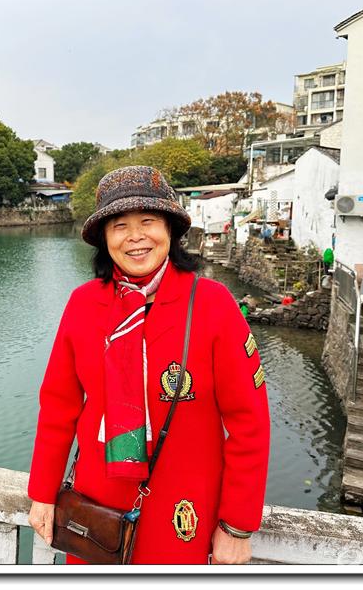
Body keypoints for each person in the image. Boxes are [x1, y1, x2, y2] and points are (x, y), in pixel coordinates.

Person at [27, 166, 270, 565]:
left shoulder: (213, 305)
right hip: (96, 509)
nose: (135, 236)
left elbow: (249, 423)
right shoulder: (84, 304)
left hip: (183, 510)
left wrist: (237, 525)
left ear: (170, 229)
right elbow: (58, 407)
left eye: (148, 222)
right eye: (119, 225)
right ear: (104, 239)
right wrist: (42, 493)